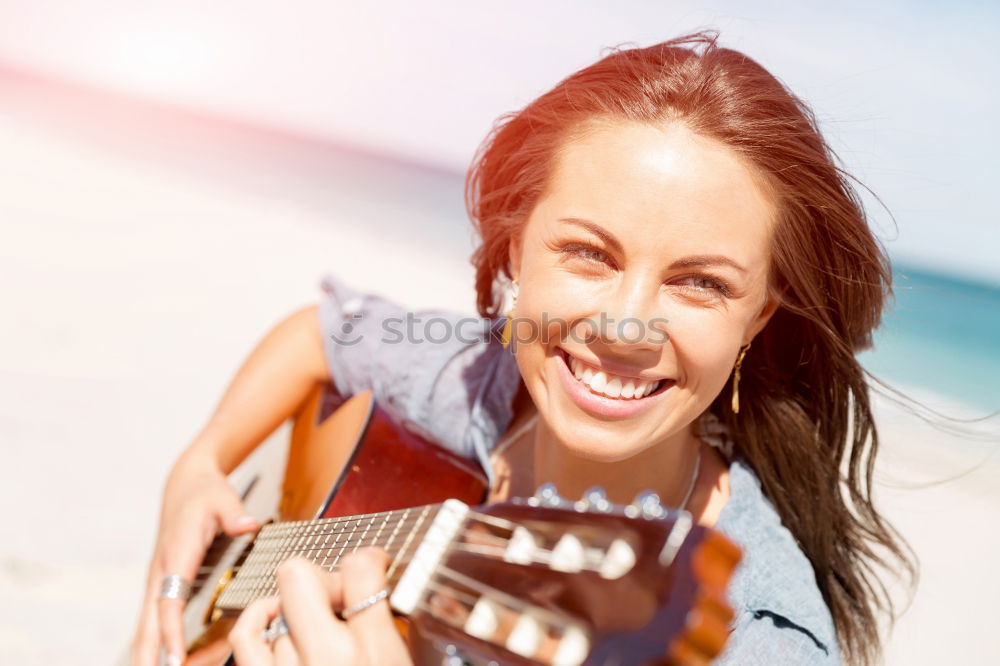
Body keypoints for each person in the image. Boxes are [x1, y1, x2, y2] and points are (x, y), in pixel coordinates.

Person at [130, 30, 916, 666]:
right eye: (590, 254)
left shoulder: (758, 640)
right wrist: (197, 466)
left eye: (701, 283)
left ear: (758, 317)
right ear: (514, 250)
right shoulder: (484, 385)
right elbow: (321, 331)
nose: (625, 325)